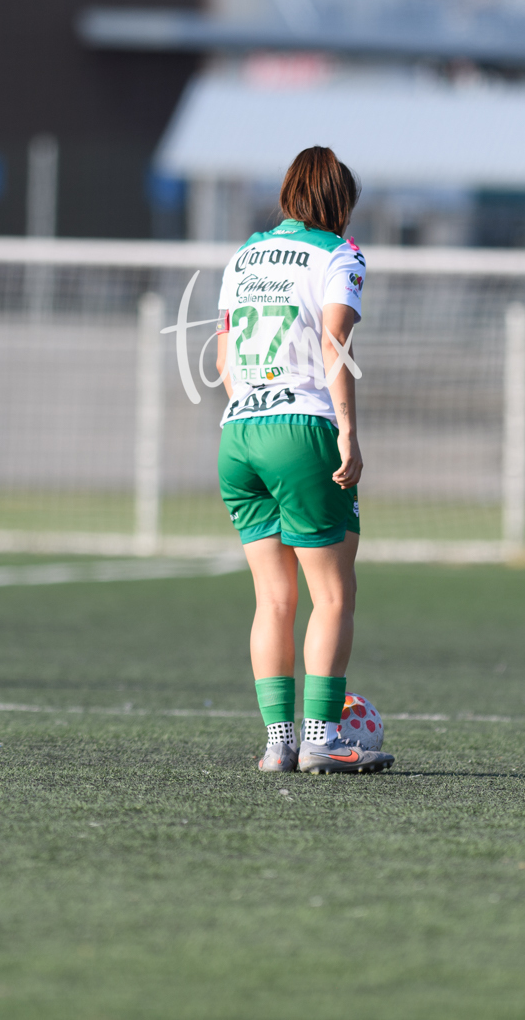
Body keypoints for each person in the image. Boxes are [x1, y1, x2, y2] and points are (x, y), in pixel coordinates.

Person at [217, 147, 391, 774]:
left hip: (239, 433)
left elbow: (223, 361)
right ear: (340, 202)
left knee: (272, 600)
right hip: (303, 428)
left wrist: (255, 414)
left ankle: (277, 747)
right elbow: (334, 342)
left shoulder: (245, 256)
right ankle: (321, 739)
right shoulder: (340, 254)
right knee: (333, 594)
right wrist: (347, 432)